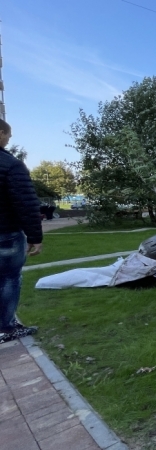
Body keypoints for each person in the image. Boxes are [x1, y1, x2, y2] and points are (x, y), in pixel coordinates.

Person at [0, 118, 42, 343]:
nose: (8, 139)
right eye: (8, 135)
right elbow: (25, 203)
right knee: (8, 278)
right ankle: (5, 328)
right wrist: (35, 236)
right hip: (5, 233)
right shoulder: (10, 164)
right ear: (0, 133)